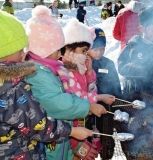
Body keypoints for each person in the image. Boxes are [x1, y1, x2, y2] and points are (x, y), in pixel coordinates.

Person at [0, 10, 93, 160]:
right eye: (20, 50)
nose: (24, 54)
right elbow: (38, 124)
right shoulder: (11, 89)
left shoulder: (14, 81)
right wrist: (72, 131)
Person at [24, 6, 107, 160]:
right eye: (58, 49)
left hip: (61, 143)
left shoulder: (49, 69)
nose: (61, 54)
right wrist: (89, 107)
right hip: (49, 146)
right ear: (45, 48)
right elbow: (58, 104)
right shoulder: (38, 73)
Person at [62, 19, 115, 160]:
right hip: (73, 132)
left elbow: (91, 90)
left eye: (87, 51)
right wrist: (99, 98)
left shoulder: (81, 67)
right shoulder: (66, 72)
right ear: (69, 49)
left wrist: (90, 71)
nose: (87, 55)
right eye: (85, 51)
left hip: (85, 122)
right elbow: (79, 98)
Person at [87, 27, 122, 159]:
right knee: (89, 143)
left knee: (107, 142)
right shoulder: (82, 63)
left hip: (106, 111)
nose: (100, 52)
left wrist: (118, 107)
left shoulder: (108, 63)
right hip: (88, 111)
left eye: (103, 48)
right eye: (96, 48)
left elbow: (117, 89)